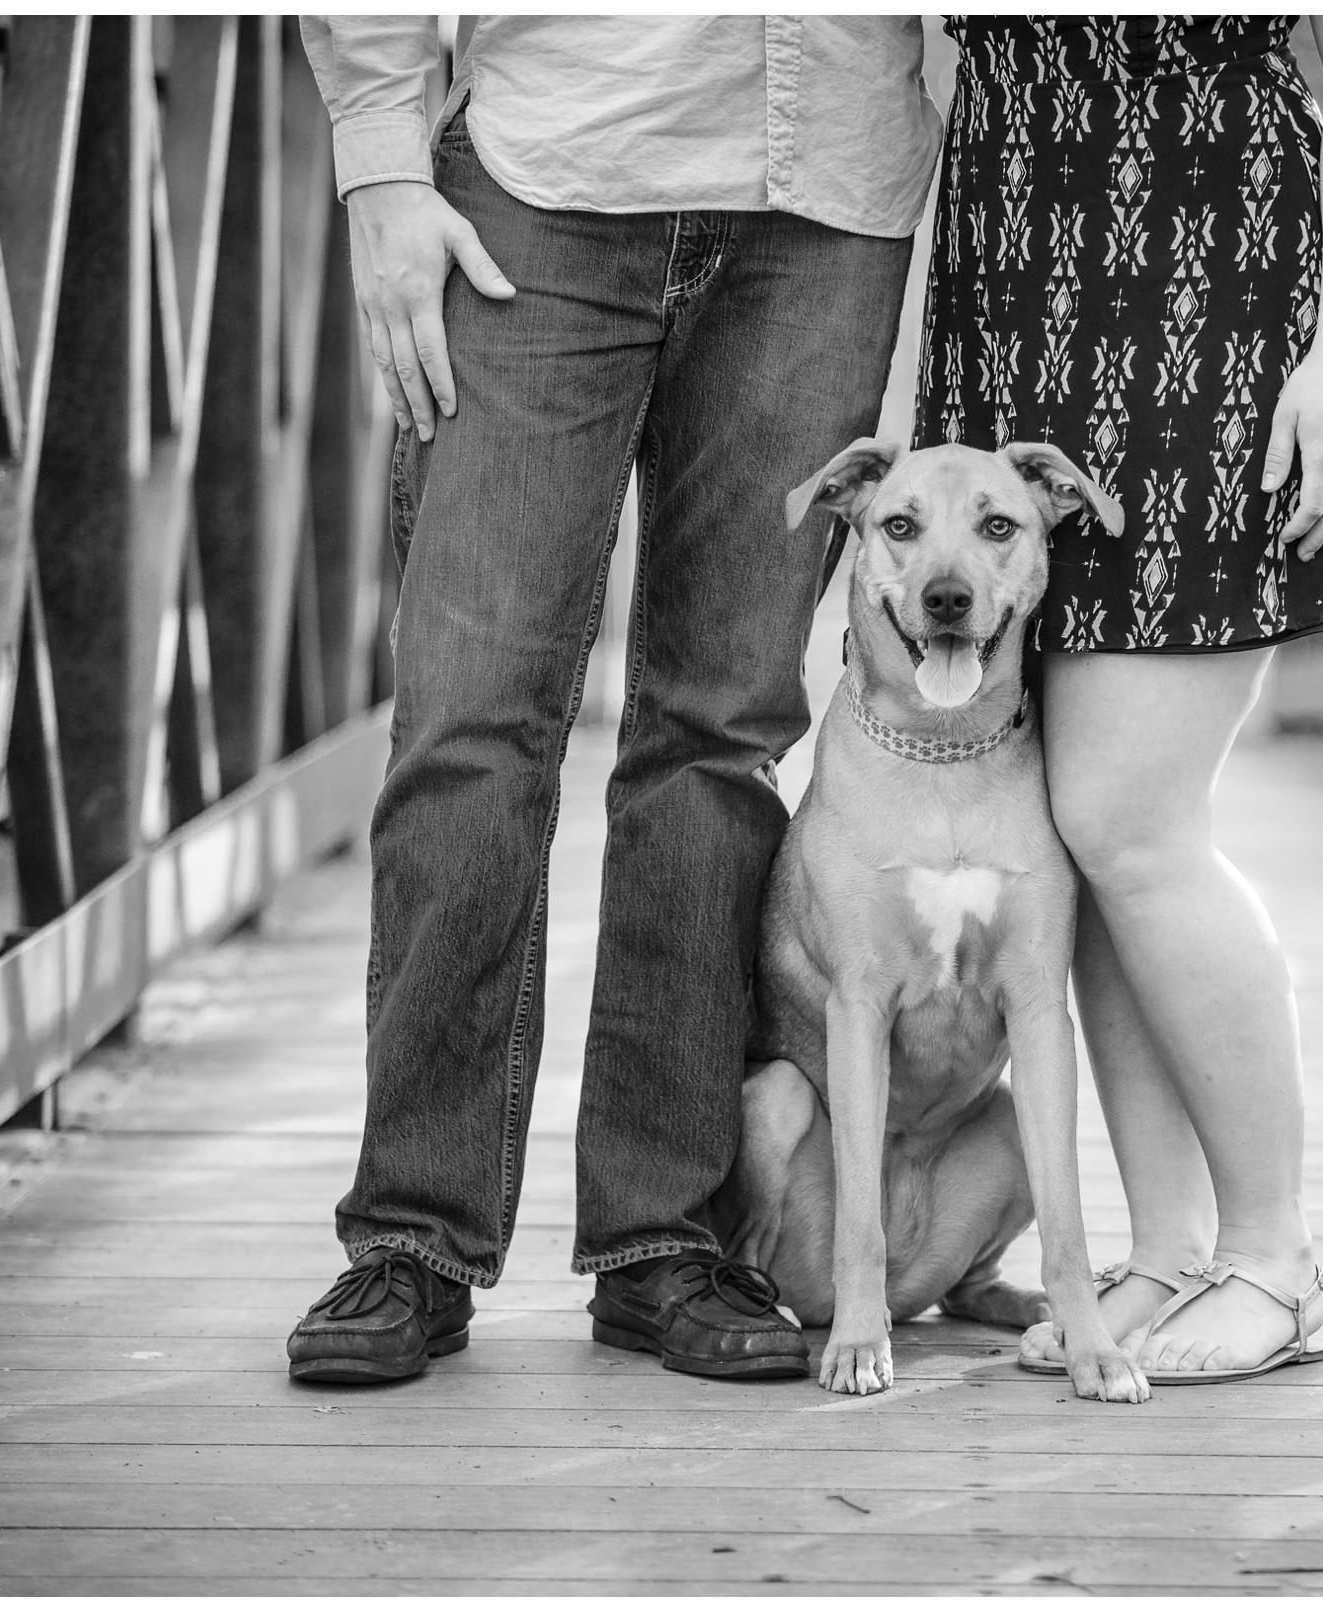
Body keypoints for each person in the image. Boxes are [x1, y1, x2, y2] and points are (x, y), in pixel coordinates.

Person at [287, 17, 940, 1384]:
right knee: (472, 718)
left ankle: (665, 1239)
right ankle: (412, 1234)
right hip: (545, 170)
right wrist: (382, 164)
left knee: (724, 729)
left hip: (825, 195)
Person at [916, 15, 1323, 1382]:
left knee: (1126, 813)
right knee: (1078, 832)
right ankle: (1169, 1251)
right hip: (1013, 285)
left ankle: (1277, 1256)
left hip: (1214, 286)